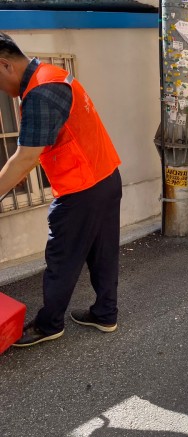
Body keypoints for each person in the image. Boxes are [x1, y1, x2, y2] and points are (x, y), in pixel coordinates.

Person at [0, 32, 122, 347]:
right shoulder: (53, 75)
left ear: (4, 65)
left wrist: (21, 169)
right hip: (106, 177)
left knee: (62, 258)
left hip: (81, 190)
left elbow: (25, 156)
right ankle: (105, 313)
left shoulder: (40, 91)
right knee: (103, 253)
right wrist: (27, 165)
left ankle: (49, 324)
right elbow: (56, 139)